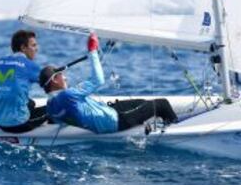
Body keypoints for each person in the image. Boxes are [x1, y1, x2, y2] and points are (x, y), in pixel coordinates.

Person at [39, 33, 177, 134]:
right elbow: (98, 80)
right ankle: (176, 130)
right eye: (62, 76)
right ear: (55, 80)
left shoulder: (51, 107)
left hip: (111, 112)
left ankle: (152, 124)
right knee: (161, 104)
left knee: (143, 102)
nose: (66, 78)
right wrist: (93, 50)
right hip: (118, 120)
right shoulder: (68, 96)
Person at [0, 30, 47, 133]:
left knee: (31, 103)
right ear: (23, 48)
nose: (36, 49)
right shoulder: (29, 64)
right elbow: (51, 83)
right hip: (18, 125)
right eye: (33, 45)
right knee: (54, 107)